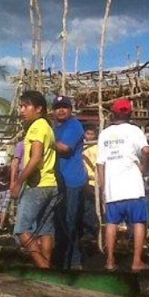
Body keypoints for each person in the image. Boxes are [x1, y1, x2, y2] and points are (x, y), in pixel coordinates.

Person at [97, 98, 149, 272]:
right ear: (129, 113)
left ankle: (110, 261)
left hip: (113, 189)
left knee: (112, 224)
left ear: (113, 113)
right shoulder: (134, 130)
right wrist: (143, 166)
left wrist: (104, 186)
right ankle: (136, 261)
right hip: (133, 186)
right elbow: (146, 150)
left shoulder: (104, 134)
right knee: (138, 222)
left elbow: (100, 163)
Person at [10, 90, 58, 269]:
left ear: (39, 108)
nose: (22, 110)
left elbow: (36, 157)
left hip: (37, 186)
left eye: (26, 106)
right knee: (45, 229)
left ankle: (44, 266)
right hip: (51, 183)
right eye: (21, 106)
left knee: (22, 229)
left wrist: (18, 181)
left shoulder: (37, 127)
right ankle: (47, 266)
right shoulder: (48, 127)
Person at [52, 95, 89, 270]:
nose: (61, 110)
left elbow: (65, 148)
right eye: (58, 107)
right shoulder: (54, 128)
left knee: (70, 222)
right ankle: (60, 259)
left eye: (64, 107)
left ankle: (74, 261)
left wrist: (43, 139)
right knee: (58, 223)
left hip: (72, 182)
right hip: (57, 181)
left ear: (70, 109)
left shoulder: (74, 125)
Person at [82, 124, 99, 244]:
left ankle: (91, 233)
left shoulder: (97, 148)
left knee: (91, 209)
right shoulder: (82, 147)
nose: (89, 136)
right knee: (85, 208)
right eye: (88, 134)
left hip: (93, 182)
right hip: (83, 181)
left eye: (92, 134)